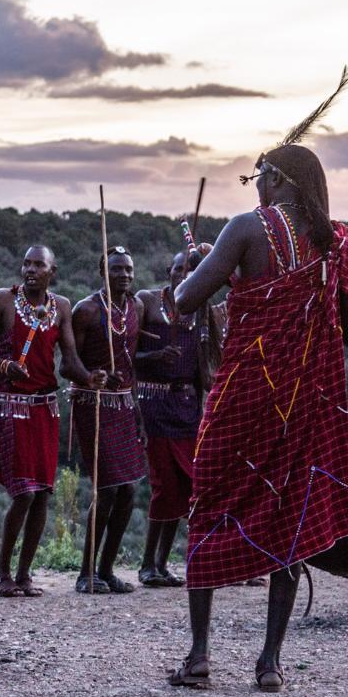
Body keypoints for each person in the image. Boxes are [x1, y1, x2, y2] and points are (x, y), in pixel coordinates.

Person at [167, 135, 348, 693]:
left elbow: (185, 300)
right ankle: (270, 664)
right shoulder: (339, 246)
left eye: (258, 175)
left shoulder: (246, 229)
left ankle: (200, 657)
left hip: (241, 401)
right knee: (288, 521)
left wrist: (208, 267)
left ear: (279, 180)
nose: (254, 186)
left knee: (207, 511)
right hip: (304, 411)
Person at [0, 245, 104, 598]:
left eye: (39, 265)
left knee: (43, 494)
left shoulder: (61, 306)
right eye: (27, 263)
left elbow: (69, 358)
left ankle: (24, 574)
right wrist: (3, 366)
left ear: (53, 271)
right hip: (11, 406)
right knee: (24, 493)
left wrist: (88, 377)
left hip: (44, 408)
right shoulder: (3, 300)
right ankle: (1, 572)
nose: (30, 269)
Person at [134, 248, 220, 588]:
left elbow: (204, 367)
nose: (185, 274)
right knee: (162, 487)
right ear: (168, 270)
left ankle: (161, 563)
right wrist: (156, 355)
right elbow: (127, 355)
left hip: (187, 409)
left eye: (193, 269)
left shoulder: (202, 311)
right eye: (180, 268)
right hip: (154, 405)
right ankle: (145, 565)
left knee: (185, 488)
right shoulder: (148, 302)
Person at [71, 246, 147, 595]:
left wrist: (140, 414)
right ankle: (85, 573)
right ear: (104, 271)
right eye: (117, 269)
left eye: (129, 270)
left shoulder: (137, 308)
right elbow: (67, 365)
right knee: (107, 489)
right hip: (94, 405)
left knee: (129, 489)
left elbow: (134, 362)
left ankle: (106, 569)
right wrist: (92, 376)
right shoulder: (86, 311)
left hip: (126, 406)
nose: (125, 276)